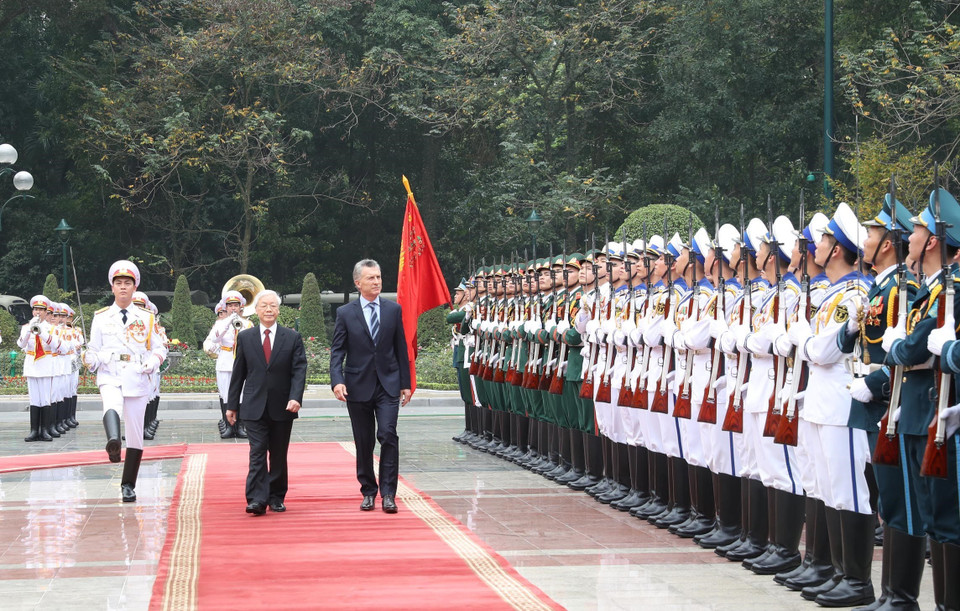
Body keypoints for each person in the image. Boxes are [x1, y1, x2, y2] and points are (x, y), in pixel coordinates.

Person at [330, 259, 412, 514]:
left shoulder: (393, 310)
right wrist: (337, 380)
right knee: (364, 441)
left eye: (378, 277)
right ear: (358, 283)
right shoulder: (345, 313)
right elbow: (337, 351)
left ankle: (388, 494)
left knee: (388, 434)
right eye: (371, 278)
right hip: (357, 386)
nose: (376, 282)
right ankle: (368, 490)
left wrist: (406, 383)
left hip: (388, 385)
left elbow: (400, 347)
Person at [82, 260, 168, 502]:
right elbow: (93, 349)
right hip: (110, 372)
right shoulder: (101, 317)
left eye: (127, 283)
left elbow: (159, 348)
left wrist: (153, 362)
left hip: (136, 375)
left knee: (135, 433)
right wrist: (90, 358)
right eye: (118, 283)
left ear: (134, 287)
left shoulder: (146, 317)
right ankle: (113, 441)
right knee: (110, 404)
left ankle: (128, 484)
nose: (122, 287)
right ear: (112, 287)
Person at [226, 289, 307, 516]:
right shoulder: (245, 337)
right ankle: (256, 499)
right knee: (257, 452)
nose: (269, 309)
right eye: (264, 306)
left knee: (278, 454)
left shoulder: (292, 337)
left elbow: (299, 370)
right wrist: (232, 405)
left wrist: (295, 397)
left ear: (278, 310)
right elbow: (238, 373)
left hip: (283, 405)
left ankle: (276, 497)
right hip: (254, 405)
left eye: (273, 306)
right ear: (256, 310)